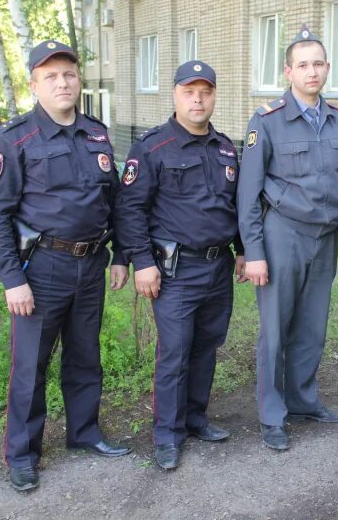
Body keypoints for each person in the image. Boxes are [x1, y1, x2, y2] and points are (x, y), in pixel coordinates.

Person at [0, 40, 131, 492]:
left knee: (85, 357)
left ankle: (83, 433)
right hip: (39, 270)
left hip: (90, 265)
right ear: (34, 84)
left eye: (68, 74)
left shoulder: (97, 134)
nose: (62, 83)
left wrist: (121, 254)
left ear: (79, 80)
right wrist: (11, 278)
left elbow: (113, 201)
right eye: (50, 76)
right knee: (30, 366)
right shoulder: (15, 139)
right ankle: (22, 454)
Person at [114, 60, 245, 470]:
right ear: (175, 94)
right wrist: (141, 262)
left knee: (207, 346)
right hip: (173, 270)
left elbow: (235, 205)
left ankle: (194, 418)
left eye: (205, 91)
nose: (197, 99)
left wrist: (242, 249)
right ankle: (167, 435)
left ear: (214, 96)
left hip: (217, 266)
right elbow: (130, 208)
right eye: (189, 91)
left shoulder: (225, 147)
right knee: (175, 352)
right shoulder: (152, 147)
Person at [237, 25, 338, 451]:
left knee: (312, 327)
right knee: (275, 329)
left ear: (327, 68)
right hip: (281, 235)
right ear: (288, 71)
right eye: (303, 65)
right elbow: (247, 193)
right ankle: (272, 414)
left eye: (319, 64)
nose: (312, 71)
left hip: (325, 239)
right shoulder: (266, 121)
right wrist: (253, 252)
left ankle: (303, 399)